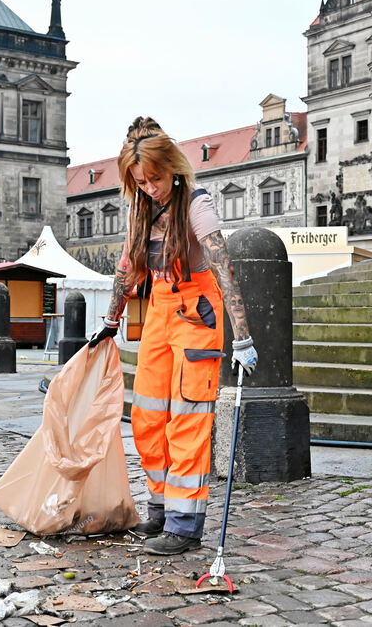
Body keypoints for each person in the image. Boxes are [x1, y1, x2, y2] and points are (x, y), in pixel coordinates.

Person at [87, 116, 258, 556]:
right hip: (160, 309)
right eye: (141, 182)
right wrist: (110, 321)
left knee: (187, 418)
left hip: (198, 312)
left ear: (174, 169)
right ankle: (161, 509)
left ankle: (185, 525)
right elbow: (126, 269)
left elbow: (223, 268)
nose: (150, 188)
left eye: (155, 179)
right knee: (146, 417)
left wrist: (242, 337)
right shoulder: (140, 208)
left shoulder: (196, 205)